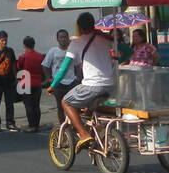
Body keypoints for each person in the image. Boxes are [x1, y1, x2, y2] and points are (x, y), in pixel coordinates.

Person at [47, 12, 116, 151]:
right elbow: (127, 52)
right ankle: (93, 132)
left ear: (79, 27)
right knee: (87, 108)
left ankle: (84, 134)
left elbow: (64, 68)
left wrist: (52, 86)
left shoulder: (76, 43)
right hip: (111, 86)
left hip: (92, 86)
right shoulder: (106, 39)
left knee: (66, 102)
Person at [42, 29, 77, 114]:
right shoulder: (53, 51)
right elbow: (45, 65)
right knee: (60, 107)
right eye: (61, 37)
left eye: (65, 37)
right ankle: (62, 126)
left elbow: (78, 65)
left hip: (71, 82)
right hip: (58, 83)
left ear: (68, 38)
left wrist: (78, 77)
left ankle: (72, 125)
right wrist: (48, 78)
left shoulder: (72, 50)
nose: (63, 39)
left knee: (74, 106)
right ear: (57, 39)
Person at [17, 35, 45, 132]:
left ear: (24, 45)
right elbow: (42, 69)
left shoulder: (22, 57)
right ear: (34, 45)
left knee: (28, 105)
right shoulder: (40, 56)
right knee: (36, 105)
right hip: (37, 83)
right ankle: (37, 124)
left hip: (25, 83)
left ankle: (31, 125)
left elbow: (19, 68)